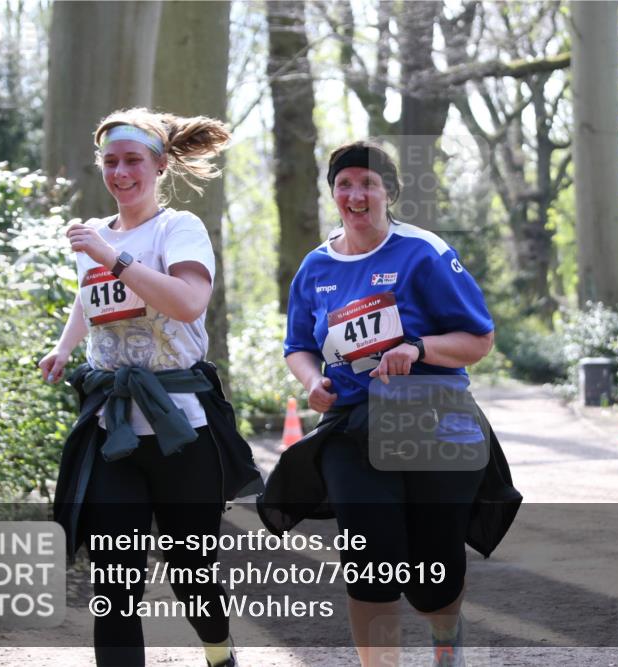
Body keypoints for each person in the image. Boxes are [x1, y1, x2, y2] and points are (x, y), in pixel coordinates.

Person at [257, 140, 521, 667]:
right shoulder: (315, 267)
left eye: (368, 184)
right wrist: (312, 381)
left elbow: (479, 339)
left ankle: (446, 645)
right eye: (344, 184)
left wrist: (417, 348)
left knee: (432, 573)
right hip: (351, 428)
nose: (356, 195)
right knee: (368, 563)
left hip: (434, 419)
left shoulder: (423, 252)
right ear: (333, 193)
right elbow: (298, 346)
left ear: (390, 192)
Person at [40, 108, 262, 667]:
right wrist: (65, 347)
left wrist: (112, 257)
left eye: (133, 161)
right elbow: (88, 298)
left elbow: (187, 302)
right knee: (114, 585)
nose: (121, 173)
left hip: (180, 430)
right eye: (111, 162)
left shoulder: (178, 228)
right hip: (112, 430)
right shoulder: (97, 234)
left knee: (192, 575)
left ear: (160, 166)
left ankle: (220, 656)